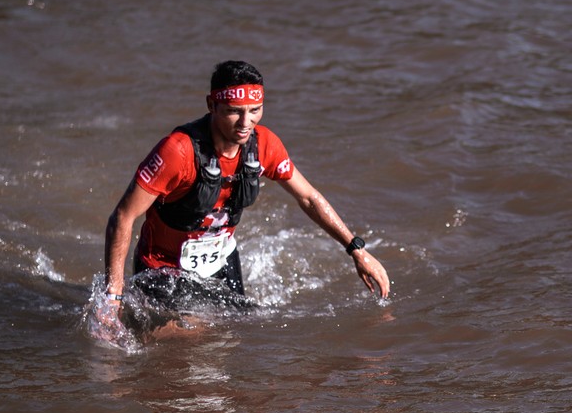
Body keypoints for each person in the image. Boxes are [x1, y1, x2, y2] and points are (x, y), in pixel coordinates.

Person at [95, 60, 389, 334]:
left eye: (255, 110)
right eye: (234, 111)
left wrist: (357, 250)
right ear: (212, 105)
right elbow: (122, 216)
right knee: (188, 336)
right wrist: (113, 298)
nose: (246, 122)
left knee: (244, 330)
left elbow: (309, 198)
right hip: (163, 268)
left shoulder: (264, 145)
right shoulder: (178, 151)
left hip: (221, 261)